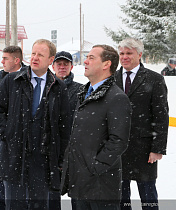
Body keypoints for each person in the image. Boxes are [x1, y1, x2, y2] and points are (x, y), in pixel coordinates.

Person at [0, 39, 71, 210]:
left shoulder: (59, 87)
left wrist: (61, 158)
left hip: (43, 161)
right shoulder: (12, 81)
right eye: (33, 53)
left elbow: (64, 126)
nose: (35, 57)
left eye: (40, 54)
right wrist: (7, 134)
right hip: (14, 157)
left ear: (50, 60)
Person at [61, 44, 132, 210]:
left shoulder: (116, 98)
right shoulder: (85, 93)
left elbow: (118, 141)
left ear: (106, 64)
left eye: (91, 58)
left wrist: (95, 166)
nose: (85, 61)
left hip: (101, 187)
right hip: (80, 182)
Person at [115, 38, 169, 210]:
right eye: (122, 53)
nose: (124, 57)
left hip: (144, 150)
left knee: (148, 197)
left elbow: (161, 116)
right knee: (120, 198)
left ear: (139, 54)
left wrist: (157, 148)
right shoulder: (111, 78)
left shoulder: (154, 79)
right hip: (117, 149)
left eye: (129, 53)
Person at [0, 45, 26, 210]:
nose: (2, 61)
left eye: (5, 58)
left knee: (18, 187)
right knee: (1, 185)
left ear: (16, 60)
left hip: (22, 142)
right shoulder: (0, 77)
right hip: (2, 139)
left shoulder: (28, 77)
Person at [51, 51, 82, 209]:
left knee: (76, 194)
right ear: (53, 65)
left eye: (66, 64)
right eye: (59, 64)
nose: (62, 67)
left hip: (73, 150)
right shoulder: (46, 88)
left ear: (71, 66)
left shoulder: (81, 90)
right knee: (51, 194)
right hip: (50, 149)